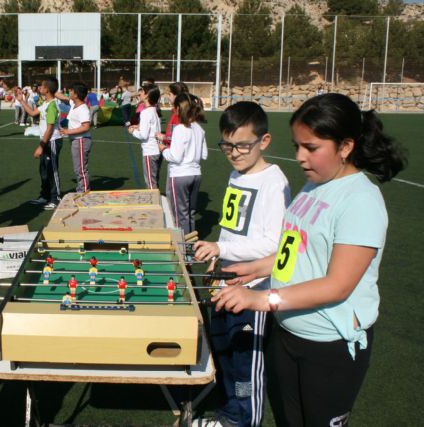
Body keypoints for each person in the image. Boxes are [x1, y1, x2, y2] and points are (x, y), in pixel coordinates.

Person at [210, 93, 406, 426]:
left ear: (345, 147)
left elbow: (337, 286)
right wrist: (254, 268)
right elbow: (295, 251)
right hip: (288, 334)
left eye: (311, 148)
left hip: (328, 346)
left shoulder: (360, 200)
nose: (300, 157)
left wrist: (261, 298)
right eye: (297, 146)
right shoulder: (313, 186)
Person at [192, 101, 290, 427]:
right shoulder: (238, 174)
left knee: (247, 360)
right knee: (224, 352)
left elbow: (273, 244)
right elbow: (231, 226)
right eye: (227, 145)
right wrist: (219, 258)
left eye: (243, 145)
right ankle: (228, 412)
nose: (234, 152)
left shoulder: (274, 183)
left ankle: (244, 419)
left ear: (264, 141)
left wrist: (221, 246)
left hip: (254, 287)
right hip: (228, 280)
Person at [159, 93, 208, 235]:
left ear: (179, 109)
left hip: (180, 175)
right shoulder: (199, 129)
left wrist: (163, 149)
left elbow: (175, 156)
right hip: (196, 174)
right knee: (190, 212)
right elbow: (204, 155)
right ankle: (192, 243)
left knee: (180, 214)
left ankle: (184, 247)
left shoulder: (180, 129)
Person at [16, 77, 63, 210]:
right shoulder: (45, 103)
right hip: (45, 141)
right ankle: (45, 196)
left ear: (47, 89)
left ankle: (56, 198)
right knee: (43, 170)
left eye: (41, 86)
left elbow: (49, 128)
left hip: (52, 141)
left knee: (52, 170)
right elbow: (32, 113)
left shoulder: (53, 105)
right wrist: (21, 100)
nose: (39, 88)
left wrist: (41, 146)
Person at [59, 82, 92, 193]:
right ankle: (81, 189)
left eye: (72, 91)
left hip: (81, 140)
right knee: (78, 167)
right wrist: (50, 90)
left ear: (76, 94)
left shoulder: (83, 109)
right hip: (76, 140)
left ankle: (84, 191)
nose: (70, 92)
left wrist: (68, 131)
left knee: (81, 168)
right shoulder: (74, 104)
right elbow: (62, 97)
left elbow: (86, 126)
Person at [128, 83, 162, 190]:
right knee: (154, 180)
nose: (139, 93)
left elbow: (143, 135)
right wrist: (138, 126)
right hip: (156, 150)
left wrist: (132, 131)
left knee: (150, 183)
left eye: (141, 91)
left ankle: (154, 204)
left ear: (147, 95)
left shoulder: (146, 112)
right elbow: (152, 129)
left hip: (150, 151)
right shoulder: (153, 110)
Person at [157, 82, 189, 147]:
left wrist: (162, 137)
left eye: (170, 94)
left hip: (174, 153)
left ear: (176, 96)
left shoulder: (178, 115)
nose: (168, 97)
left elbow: (173, 138)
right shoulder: (182, 112)